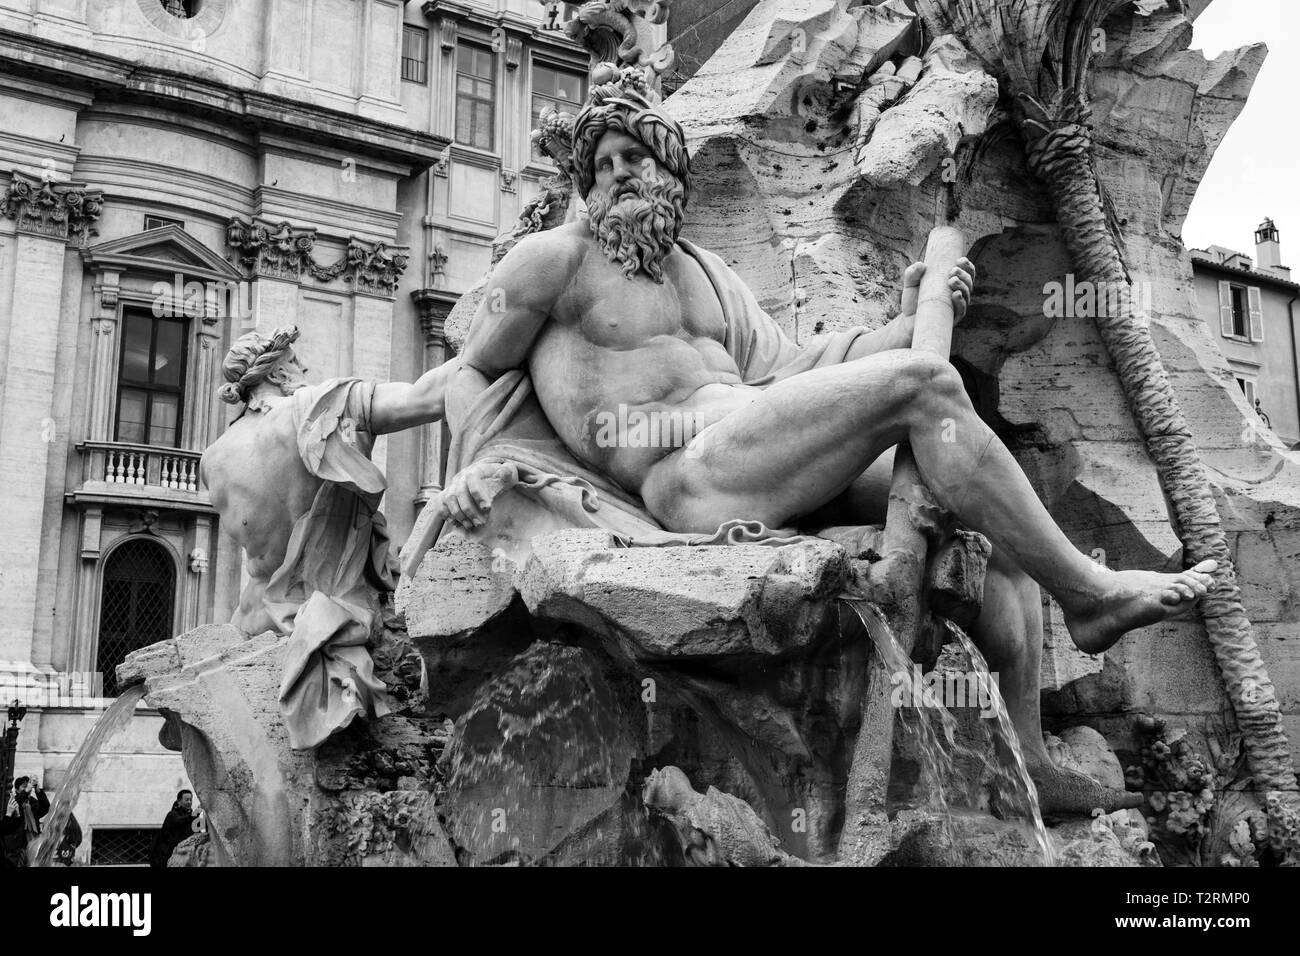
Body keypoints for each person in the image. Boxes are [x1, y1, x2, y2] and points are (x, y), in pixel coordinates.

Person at [434, 65, 1217, 814]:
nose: (616, 175)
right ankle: (1090, 595)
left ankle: (1031, 760)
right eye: (600, 164)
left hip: (755, 442)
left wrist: (911, 320)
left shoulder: (707, 274)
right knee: (926, 387)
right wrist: (485, 466)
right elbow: (470, 371)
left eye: (633, 155)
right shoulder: (552, 262)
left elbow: (798, 369)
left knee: (991, 527)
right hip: (687, 477)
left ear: (670, 168)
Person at [201, 326, 456, 750]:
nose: (307, 369)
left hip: (254, 630)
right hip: (329, 626)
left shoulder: (213, 458)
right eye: (298, 363)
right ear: (279, 375)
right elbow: (427, 397)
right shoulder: (318, 409)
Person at [2, 776, 50, 867]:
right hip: (16, 847)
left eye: (28, 786)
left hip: (31, 843)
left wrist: (38, 790)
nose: (28, 789)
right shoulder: (13, 801)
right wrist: (25, 792)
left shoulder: (32, 802)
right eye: (24, 786)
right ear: (16, 789)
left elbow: (45, 807)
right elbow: (15, 808)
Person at [149, 790, 199, 868]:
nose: (189, 802)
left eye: (191, 800)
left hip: (181, 855)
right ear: (179, 801)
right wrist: (193, 815)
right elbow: (180, 820)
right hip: (164, 856)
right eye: (186, 800)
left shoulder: (190, 816)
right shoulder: (172, 815)